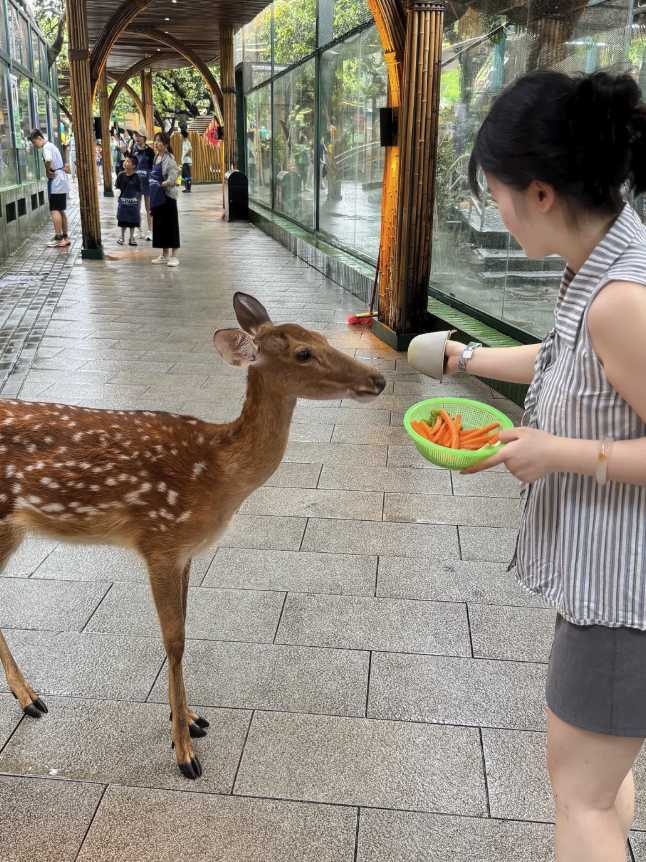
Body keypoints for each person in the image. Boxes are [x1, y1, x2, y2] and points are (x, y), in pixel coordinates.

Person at [443, 70, 646, 862]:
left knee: (581, 799)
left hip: (624, 596)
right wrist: (467, 361)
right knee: (602, 780)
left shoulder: (619, 298)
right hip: (609, 578)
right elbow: (570, 358)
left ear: (538, 192)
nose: (491, 211)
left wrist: (555, 452)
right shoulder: (601, 259)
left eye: (491, 193)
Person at [29, 128, 71, 248]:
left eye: (34, 142)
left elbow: (48, 159)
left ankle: (59, 237)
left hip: (56, 181)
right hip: (61, 179)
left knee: (55, 210)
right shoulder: (52, 145)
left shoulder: (46, 147)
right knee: (61, 209)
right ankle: (64, 237)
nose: (34, 145)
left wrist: (47, 171)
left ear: (39, 138)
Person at [149, 131, 180, 266]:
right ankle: (164, 255)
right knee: (160, 226)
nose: (156, 143)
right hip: (157, 196)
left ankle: (174, 256)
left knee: (171, 225)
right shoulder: (156, 157)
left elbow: (173, 179)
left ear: (166, 144)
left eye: (159, 141)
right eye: (155, 140)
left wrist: (161, 184)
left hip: (168, 197)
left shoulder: (170, 159)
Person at [130, 126, 155, 241]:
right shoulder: (133, 149)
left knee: (148, 207)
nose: (136, 138)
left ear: (144, 137)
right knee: (136, 206)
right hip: (136, 182)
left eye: (139, 135)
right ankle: (138, 230)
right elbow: (130, 164)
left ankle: (150, 231)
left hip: (147, 182)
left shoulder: (150, 151)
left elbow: (154, 167)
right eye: (135, 135)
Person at [115, 153, 142, 247]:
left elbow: (139, 190)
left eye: (128, 161)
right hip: (123, 201)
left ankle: (131, 238)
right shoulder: (120, 175)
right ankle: (122, 237)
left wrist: (137, 202)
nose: (125, 162)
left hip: (133, 202)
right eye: (125, 161)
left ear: (133, 165)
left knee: (133, 220)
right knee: (122, 220)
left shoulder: (137, 177)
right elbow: (117, 188)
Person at [180, 126, 192, 193]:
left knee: (187, 175)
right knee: (184, 175)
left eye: (181, 135)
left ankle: (188, 188)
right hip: (184, 161)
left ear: (183, 135)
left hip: (187, 161)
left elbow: (190, 150)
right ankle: (186, 188)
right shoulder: (184, 142)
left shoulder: (187, 142)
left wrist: (185, 155)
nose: (180, 136)